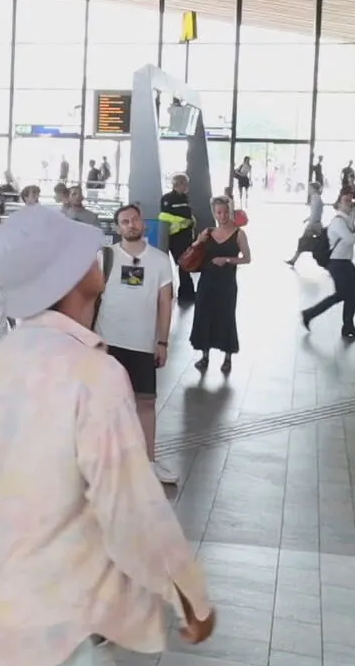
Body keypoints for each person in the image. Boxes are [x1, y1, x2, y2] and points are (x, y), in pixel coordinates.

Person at [0, 205, 215, 666]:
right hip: (57, 607)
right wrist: (186, 587)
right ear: (69, 276)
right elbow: (129, 497)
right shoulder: (92, 372)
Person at [96, 205, 177, 485]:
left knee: (146, 401)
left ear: (143, 224)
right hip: (108, 341)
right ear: (118, 228)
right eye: (124, 222)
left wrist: (163, 341)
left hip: (142, 343)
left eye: (134, 220)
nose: (130, 225)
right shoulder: (105, 257)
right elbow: (88, 297)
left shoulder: (159, 260)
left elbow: (165, 301)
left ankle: (148, 462)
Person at [188, 196, 249, 375]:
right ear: (214, 213)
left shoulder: (239, 234)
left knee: (226, 316)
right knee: (204, 315)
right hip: (207, 281)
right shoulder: (208, 232)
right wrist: (198, 241)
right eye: (219, 212)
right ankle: (205, 355)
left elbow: (247, 258)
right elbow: (194, 249)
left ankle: (227, 357)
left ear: (231, 212)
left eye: (225, 212)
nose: (222, 216)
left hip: (226, 283)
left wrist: (227, 259)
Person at [301, 190, 355, 340]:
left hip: (346, 262)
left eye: (350, 200)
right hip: (337, 263)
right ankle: (309, 314)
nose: (349, 202)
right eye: (345, 200)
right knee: (342, 294)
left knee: (352, 295)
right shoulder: (338, 221)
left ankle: (348, 326)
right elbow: (350, 239)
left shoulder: (348, 219)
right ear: (338, 203)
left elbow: (353, 216)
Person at [157, 173, 196, 305]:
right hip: (174, 236)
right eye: (184, 183)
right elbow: (164, 216)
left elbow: (188, 213)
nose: (187, 186)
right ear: (177, 184)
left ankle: (186, 291)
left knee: (186, 263)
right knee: (182, 263)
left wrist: (191, 221)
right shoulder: (167, 199)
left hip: (187, 235)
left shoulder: (186, 198)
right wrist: (183, 221)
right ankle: (186, 292)